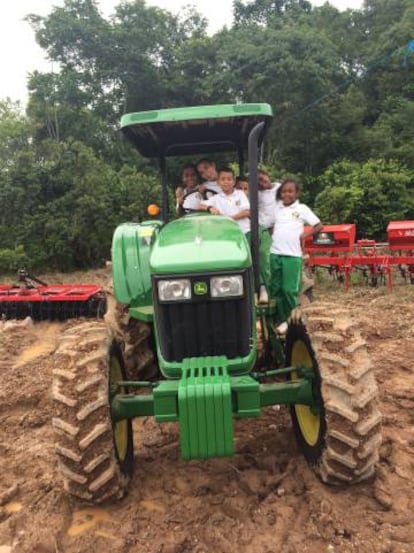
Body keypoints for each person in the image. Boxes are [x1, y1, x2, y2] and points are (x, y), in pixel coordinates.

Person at [200, 167, 269, 303]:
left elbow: (247, 211)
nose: (226, 182)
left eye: (229, 179)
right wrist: (210, 208)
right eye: (223, 179)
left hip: (244, 232)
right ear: (218, 182)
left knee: (253, 259)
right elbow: (200, 205)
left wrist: (231, 218)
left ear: (233, 181)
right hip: (227, 237)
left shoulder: (240, 195)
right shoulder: (216, 198)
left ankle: (261, 288)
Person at [269, 178, 323, 334]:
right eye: (284, 191)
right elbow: (271, 225)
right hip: (275, 253)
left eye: (290, 191)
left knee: (289, 289)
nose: (287, 194)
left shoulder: (301, 208)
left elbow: (319, 226)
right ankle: (279, 320)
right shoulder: (277, 209)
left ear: (296, 193)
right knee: (276, 289)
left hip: (292, 255)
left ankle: (292, 320)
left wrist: (304, 236)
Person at [258, 170, 280, 234]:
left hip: (278, 225)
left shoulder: (279, 187)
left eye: (261, 179)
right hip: (264, 228)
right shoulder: (257, 193)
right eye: (258, 183)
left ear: (267, 175)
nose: (261, 183)